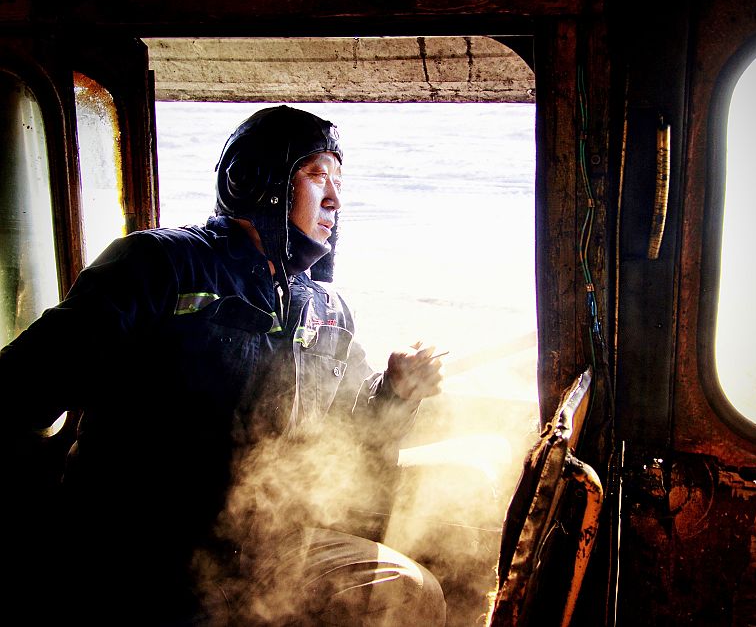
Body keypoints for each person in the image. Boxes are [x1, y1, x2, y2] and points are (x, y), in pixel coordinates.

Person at [2, 105, 446, 626]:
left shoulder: (327, 310)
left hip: (268, 554)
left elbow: (353, 448)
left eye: (340, 182)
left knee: (406, 591)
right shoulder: (156, 265)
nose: (335, 200)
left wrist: (395, 392)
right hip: (139, 558)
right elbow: (19, 392)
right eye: (317, 175)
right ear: (254, 181)